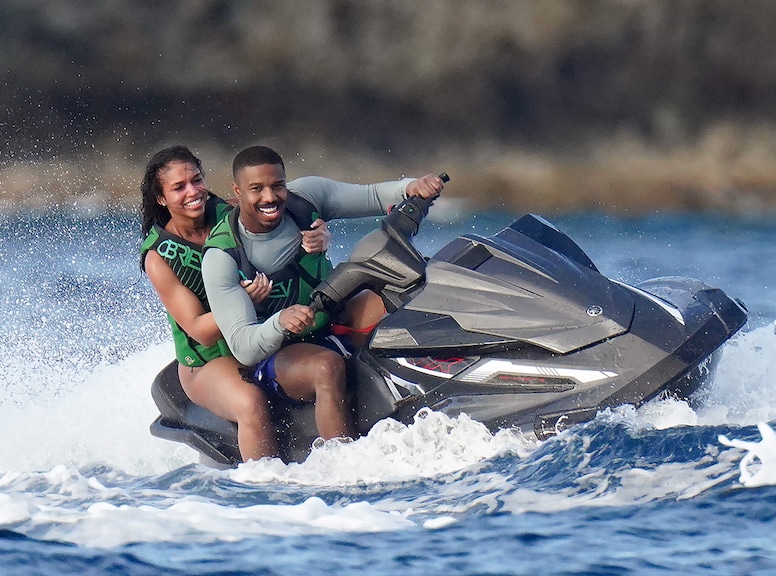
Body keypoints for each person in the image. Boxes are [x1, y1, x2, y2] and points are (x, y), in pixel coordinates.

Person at [201, 145, 446, 442]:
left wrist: (411, 186)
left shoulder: (306, 198)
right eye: (257, 189)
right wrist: (280, 322)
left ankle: (444, 399)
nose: (270, 197)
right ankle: (343, 465)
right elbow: (243, 347)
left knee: (414, 290)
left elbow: (373, 196)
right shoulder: (221, 257)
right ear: (237, 192)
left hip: (329, 319)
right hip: (275, 356)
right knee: (326, 367)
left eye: (277, 186)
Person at [139, 145, 332, 462]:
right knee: (250, 402)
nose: (193, 192)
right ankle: (264, 489)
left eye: (196, 180)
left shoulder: (230, 212)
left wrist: (320, 236)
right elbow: (199, 330)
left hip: (258, 336)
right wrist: (239, 299)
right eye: (179, 187)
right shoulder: (159, 257)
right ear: (162, 199)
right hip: (209, 360)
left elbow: (287, 215)